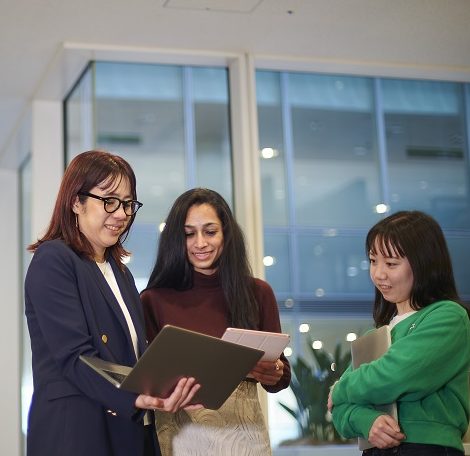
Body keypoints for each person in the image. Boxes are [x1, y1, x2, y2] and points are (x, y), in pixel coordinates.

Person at [24, 150, 201, 456]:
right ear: (76, 202)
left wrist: (165, 386)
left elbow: (133, 358)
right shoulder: (54, 259)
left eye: (128, 203)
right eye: (109, 200)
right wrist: (134, 397)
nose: (121, 214)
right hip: (77, 432)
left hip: (130, 430)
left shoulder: (121, 273)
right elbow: (75, 356)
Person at [141, 187, 291, 456]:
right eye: (189, 234)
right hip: (180, 441)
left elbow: (279, 378)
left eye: (210, 231)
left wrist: (276, 370)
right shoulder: (153, 300)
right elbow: (147, 380)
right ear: (176, 239)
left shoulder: (257, 292)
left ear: (226, 234)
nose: (200, 243)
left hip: (245, 442)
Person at [328, 210, 470, 455]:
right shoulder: (380, 330)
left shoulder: (448, 316)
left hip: (426, 448)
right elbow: (338, 411)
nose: (379, 274)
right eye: (373, 261)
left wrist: (338, 388)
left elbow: (393, 375)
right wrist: (367, 421)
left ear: (424, 263)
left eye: (391, 264)